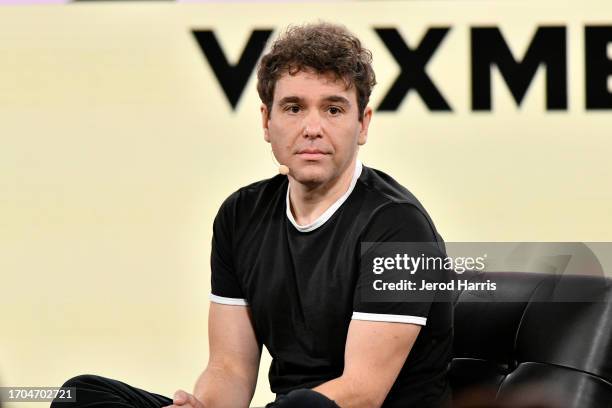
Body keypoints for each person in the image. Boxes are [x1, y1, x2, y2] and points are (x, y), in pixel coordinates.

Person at [52, 22, 452, 408]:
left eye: (333, 109)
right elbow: (229, 369)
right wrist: (203, 405)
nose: (313, 127)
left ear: (362, 124)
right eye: (294, 108)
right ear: (266, 121)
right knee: (85, 394)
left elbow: (361, 393)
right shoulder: (241, 214)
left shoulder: (398, 225)